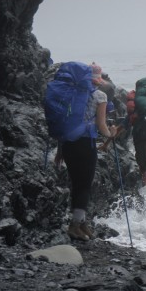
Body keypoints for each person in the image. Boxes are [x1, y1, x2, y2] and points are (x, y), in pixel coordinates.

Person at [55, 62, 118, 241]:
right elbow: (101, 125)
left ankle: (81, 223)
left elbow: (64, 123)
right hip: (86, 144)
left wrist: (60, 150)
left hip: (68, 144)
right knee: (85, 185)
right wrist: (111, 134)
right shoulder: (100, 96)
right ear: (98, 80)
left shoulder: (71, 94)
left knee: (76, 183)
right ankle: (75, 226)